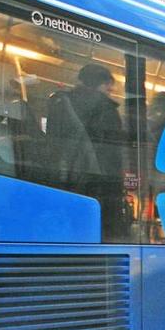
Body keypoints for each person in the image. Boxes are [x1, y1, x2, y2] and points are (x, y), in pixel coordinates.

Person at [46, 63, 127, 238]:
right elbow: (111, 156)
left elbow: (52, 143)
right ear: (101, 84)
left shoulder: (60, 102)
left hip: (62, 182)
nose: (110, 90)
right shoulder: (106, 109)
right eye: (109, 86)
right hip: (98, 186)